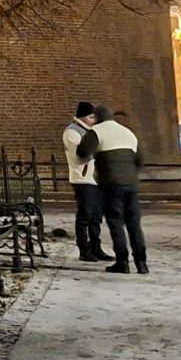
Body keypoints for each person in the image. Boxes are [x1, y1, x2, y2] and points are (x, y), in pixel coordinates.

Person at [82, 105, 146, 273]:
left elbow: (83, 151)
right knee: (134, 223)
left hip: (111, 182)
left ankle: (122, 262)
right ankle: (141, 263)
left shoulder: (96, 131)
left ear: (97, 117)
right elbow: (140, 159)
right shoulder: (127, 132)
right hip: (131, 183)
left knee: (116, 222)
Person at [61, 101, 103, 261]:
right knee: (85, 215)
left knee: (96, 216)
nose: (94, 120)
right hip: (82, 178)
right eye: (91, 117)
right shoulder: (72, 132)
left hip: (95, 179)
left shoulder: (90, 131)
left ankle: (96, 247)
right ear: (83, 117)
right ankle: (84, 250)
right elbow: (79, 155)